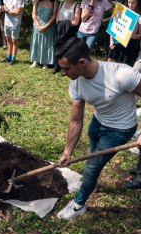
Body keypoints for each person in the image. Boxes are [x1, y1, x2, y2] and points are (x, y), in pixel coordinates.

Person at [54, 37, 141, 220]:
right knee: (93, 158)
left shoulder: (121, 74)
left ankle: (79, 204)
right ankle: (90, 184)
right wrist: (67, 152)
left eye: (66, 68)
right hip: (98, 123)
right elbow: (76, 120)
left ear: (82, 62)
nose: (62, 73)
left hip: (121, 129)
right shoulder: (76, 83)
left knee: (91, 168)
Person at [108, 0, 141, 64]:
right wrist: (111, 40)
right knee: (110, 64)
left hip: (127, 43)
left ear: (138, 2)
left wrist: (128, 35)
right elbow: (113, 27)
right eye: (129, 2)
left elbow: (140, 35)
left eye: (133, 3)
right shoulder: (122, 10)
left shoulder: (139, 16)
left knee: (121, 67)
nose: (130, 5)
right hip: (115, 40)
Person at [51, 0, 81, 74]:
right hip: (60, 30)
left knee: (67, 51)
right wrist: (59, 24)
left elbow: (76, 21)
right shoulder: (62, 3)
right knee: (58, 49)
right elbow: (57, 17)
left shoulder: (77, 5)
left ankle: (65, 69)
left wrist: (64, 24)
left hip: (69, 31)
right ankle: (56, 66)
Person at [29, 0, 58, 69]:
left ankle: (46, 62)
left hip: (49, 27)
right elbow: (34, 15)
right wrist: (38, 26)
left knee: (47, 44)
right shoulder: (38, 0)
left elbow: (54, 17)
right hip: (37, 27)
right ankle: (36, 60)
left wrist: (45, 27)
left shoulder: (55, 2)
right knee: (37, 43)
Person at [0, 0, 26, 66]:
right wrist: (2, 8)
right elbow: (5, 5)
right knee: (8, 38)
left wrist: (7, 11)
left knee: (14, 40)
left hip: (15, 22)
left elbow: (18, 11)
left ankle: (13, 59)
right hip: (7, 21)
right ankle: (8, 57)